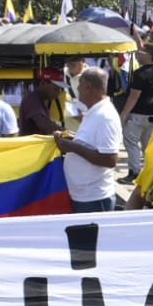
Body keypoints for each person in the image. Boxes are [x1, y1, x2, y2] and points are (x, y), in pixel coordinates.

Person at [53, 66, 122, 213]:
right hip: (84, 195)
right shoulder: (94, 111)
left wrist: (73, 147)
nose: (77, 89)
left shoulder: (105, 116)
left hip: (94, 199)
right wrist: (74, 139)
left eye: (79, 85)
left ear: (88, 87)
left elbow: (110, 159)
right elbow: (93, 144)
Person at [118, 43, 153, 183]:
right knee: (147, 145)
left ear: (148, 55)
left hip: (139, 113)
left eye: (141, 52)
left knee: (130, 141)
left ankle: (134, 172)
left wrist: (124, 114)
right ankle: (152, 173)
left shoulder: (139, 74)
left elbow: (133, 97)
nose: (138, 54)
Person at [19, 69, 69, 136]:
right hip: (31, 145)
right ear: (43, 83)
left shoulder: (41, 100)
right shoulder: (32, 99)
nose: (58, 93)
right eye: (55, 89)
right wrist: (67, 133)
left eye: (60, 90)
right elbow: (44, 124)